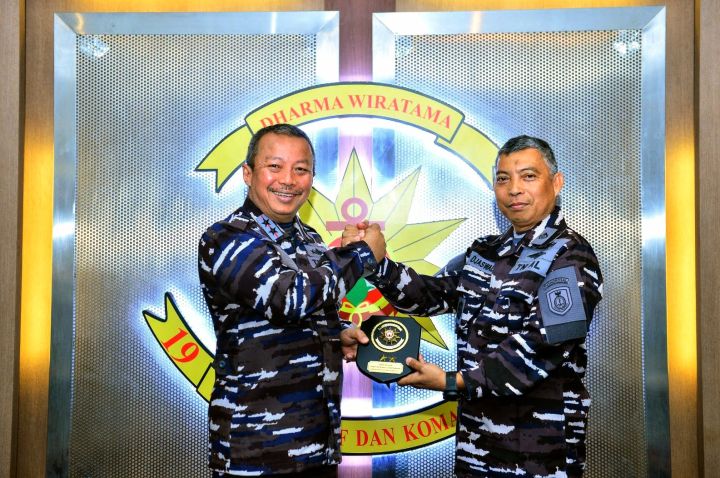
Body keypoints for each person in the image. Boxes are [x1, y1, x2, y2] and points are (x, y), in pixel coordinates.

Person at [343, 135, 603, 477]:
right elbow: (430, 295)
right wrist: (379, 264)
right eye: (503, 179)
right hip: (476, 445)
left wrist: (452, 381)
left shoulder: (571, 256)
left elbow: (540, 347)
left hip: (539, 450)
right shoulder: (485, 252)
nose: (514, 189)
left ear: (556, 183)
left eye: (528, 176)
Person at [198, 123, 380, 477]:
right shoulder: (227, 238)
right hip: (256, 449)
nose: (288, 180)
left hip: (318, 446)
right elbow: (289, 299)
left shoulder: (310, 239)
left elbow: (313, 308)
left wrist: (336, 332)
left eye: (301, 169)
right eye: (275, 166)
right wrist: (362, 254)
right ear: (248, 173)